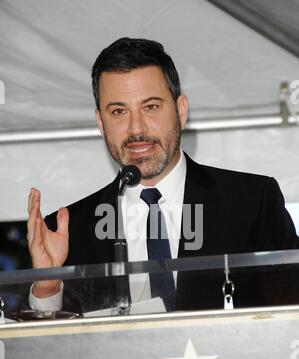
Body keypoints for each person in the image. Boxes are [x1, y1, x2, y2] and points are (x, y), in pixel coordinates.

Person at [27, 37, 299, 313]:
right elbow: (52, 350)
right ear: (100, 122)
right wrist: (48, 287)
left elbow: (291, 318)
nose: (136, 129)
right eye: (119, 111)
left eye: (151, 107)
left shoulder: (251, 203)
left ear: (181, 111)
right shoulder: (69, 232)